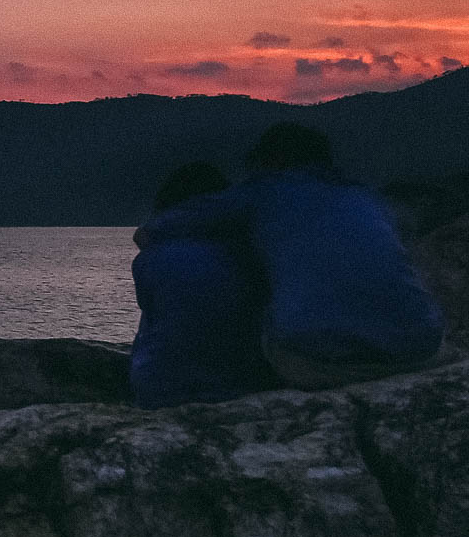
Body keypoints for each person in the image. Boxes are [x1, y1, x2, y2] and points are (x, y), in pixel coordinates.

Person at [135, 123, 443, 390]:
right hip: (417, 349)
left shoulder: (266, 189)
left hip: (316, 360)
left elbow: (156, 229)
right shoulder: (366, 198)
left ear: (272, 161)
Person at [128, 161, 279, 408]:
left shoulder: (149, 259)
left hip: (158, 388)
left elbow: (155, 310)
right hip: (238, 386)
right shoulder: (252, 255)